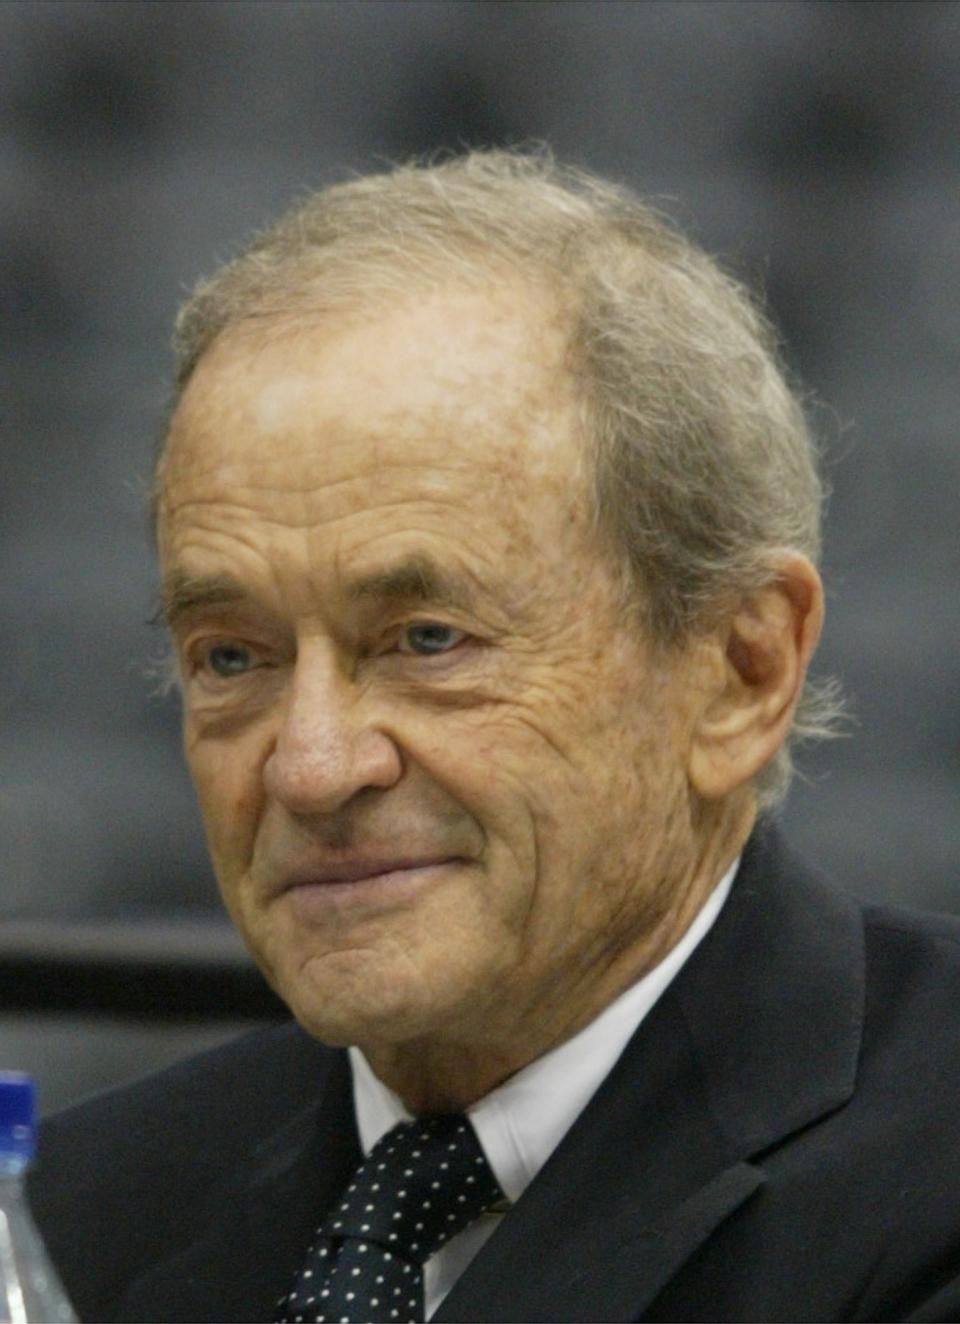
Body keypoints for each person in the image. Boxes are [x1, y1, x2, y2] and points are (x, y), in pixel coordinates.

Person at [28, 149, 960, 1323]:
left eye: (427, 640)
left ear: (740, 670)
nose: (312, 766)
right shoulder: (70, 1216)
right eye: (233, 658)